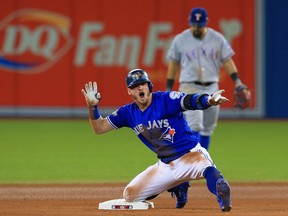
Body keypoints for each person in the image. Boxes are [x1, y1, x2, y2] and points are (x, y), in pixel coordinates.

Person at [81, 68, 232, 212]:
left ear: (149, 86)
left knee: (208, 169)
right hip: (166, 165)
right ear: (129, 91)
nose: (140, 88)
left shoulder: (165, 99)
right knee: (130, 195)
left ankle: (223, 195)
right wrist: (92, 107)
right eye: (135, 86)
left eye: (143, 84)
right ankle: (179, 186)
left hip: (190, 155)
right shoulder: (128, 112)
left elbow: (190, 100)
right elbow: (99, 127)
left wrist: (209, 100)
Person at [166, 7, 248, 150]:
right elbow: (173, 64)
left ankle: (203, 160)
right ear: (190, 22)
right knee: (195, 124)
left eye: (200, 25)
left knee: (208, 128)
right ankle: (192, 160)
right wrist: (168, 88)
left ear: (206, 22)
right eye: (194, 24)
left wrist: (238, 82)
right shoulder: (180, 39)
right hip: (189, 86)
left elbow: (227, 61)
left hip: (212, 87)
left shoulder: (217, 38)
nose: (197, 27)